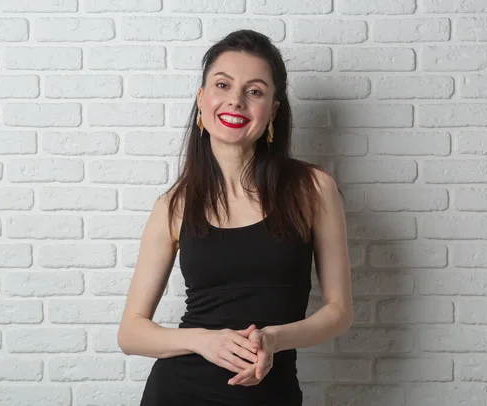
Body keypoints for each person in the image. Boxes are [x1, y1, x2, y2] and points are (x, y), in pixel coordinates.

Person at [117, 29, 353, 406]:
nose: (236, 101)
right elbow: (130, 333)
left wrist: (274, 338)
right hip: (179, 390)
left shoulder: (313, 188)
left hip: (270, 394)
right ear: (201, 99)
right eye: (222, 85)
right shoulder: (173, 205)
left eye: (255, 91)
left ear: (273, 109)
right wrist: (204, 340)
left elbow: (339, 313)